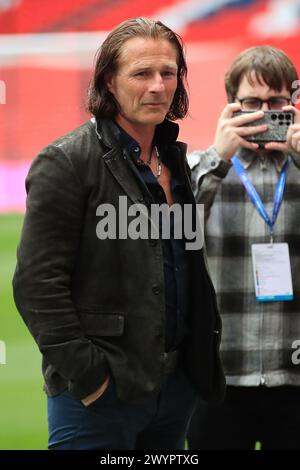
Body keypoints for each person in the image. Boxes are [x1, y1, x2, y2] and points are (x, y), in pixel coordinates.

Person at [12, 17, 225, 451]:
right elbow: (36, 286)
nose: (157, 86)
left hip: (175, 390)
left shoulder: (174, 159)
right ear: (109, 81)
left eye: (168, 73)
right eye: (142, 73)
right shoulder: (66, 162)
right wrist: (91, 378)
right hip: (99, 397)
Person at [187, 45, 300, 450]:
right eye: (251, 103)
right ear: (231, 105)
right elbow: (169, 235)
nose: (264, 113)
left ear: (294, 100)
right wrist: (219, 157)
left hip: (294, 375)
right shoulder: (202, 168)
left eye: (276, 102)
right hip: (221, 375)